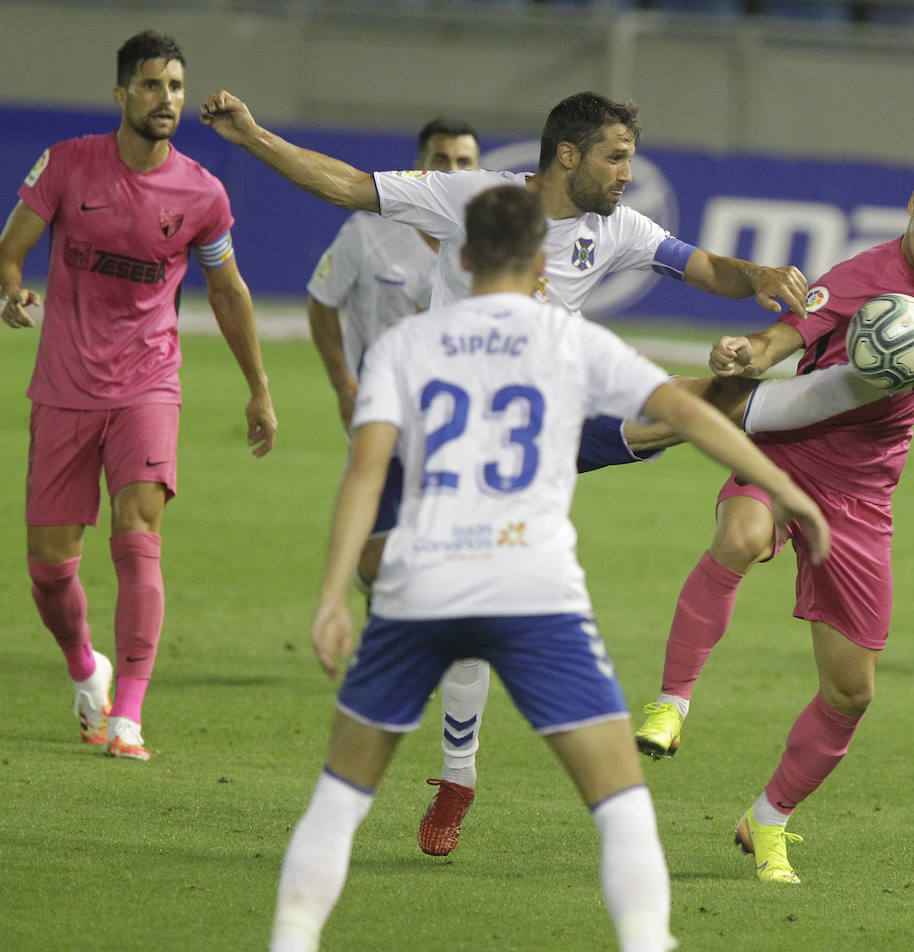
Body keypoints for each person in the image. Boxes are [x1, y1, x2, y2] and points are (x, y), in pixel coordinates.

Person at [201, 85, 882, 855]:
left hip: (546, 424)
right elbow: (349, 185)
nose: (628, 174)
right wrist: (253, 137)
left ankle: (458, 775)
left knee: (696, 406)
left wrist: (754, 274)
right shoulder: (475, 200)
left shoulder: (614, 228)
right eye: (617, 158)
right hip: (442, 435)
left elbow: (699, 265)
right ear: (569, 155)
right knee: (389, 573)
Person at [269, 184, 830, 952]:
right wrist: (785, 489)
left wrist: (335, 593)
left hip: (419, 585)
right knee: (619, 801)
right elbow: (693, 414)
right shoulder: (571, 340)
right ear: (541, 265)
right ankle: (645, 941)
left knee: (340, 796)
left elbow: (366, 474)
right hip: (532, 588)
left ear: (462, 259)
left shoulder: (406, 345)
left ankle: (293, 939)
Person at [633, 163, 914, 884]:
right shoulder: (859, 274)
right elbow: (785, 339)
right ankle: (671, 704)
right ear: (913, 207)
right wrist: (747, 352)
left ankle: (768, 818)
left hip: (865, 499)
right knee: (741, 537)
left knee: (851, 692)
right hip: (790, 454)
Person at [0, 30, 277, 762]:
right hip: (64, 385)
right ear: (121, 94)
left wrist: (259, 389)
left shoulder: (201, 193)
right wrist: (10, 292)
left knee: (137, 526)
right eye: (153, 86)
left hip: (149, 382)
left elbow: (227, 288)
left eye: (177, 87)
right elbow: (10, 249)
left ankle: (129, 712)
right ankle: (84, 666)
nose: (168, 100)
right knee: (49, 568)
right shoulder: (66, 165)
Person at [307, 117, 480, 587]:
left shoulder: (490, 247)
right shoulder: (368, 232)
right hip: (383, 409)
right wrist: (344, 384)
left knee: (450, 557)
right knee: (377, 561)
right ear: (418, 166)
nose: (452, 170)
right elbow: (322, 303)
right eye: (440, 159)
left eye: (464, 161)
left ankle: (424, 648)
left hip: (457, 418)